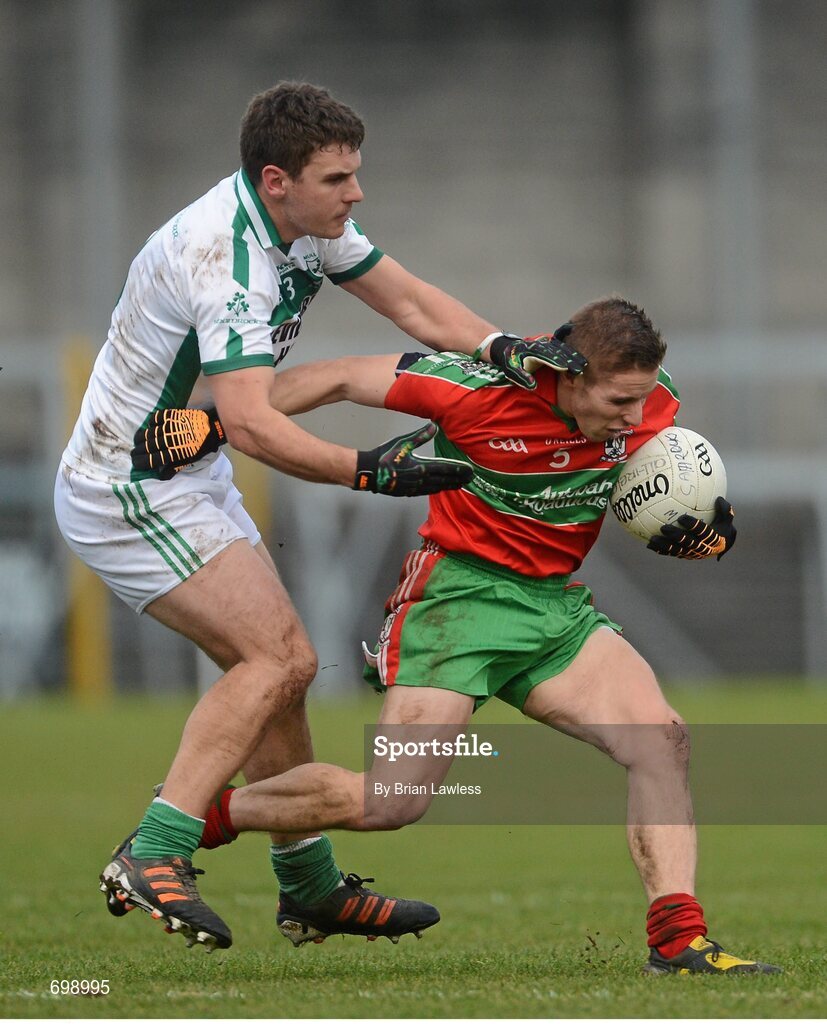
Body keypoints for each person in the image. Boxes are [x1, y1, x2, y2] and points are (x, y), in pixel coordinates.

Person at [54, 80, 584, 953]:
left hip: (190, 470)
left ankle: (307, 887)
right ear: (277, 180)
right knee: (277, 657)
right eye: (338, 178)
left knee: (279, 668)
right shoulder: (224, 261)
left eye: (354, 174)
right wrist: (368, 471)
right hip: (128, 484)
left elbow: (410, 303)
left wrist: (505, 349)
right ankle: (153, 849)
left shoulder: (306, 227)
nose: (356, 193)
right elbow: (257, 422)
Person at [142, 295, 779, 974]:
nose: (634, 416)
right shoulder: (476, 387)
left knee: (662, 741)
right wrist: (213, 421)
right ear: (569, 377)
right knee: (392, 802)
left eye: (642, 399)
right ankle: (200, 815)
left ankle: (676, 941)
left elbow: (661, 476)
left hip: (552, 609)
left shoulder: (647, 398)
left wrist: (707, 528)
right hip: (457, 603)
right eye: (618, 402)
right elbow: (338, 377)